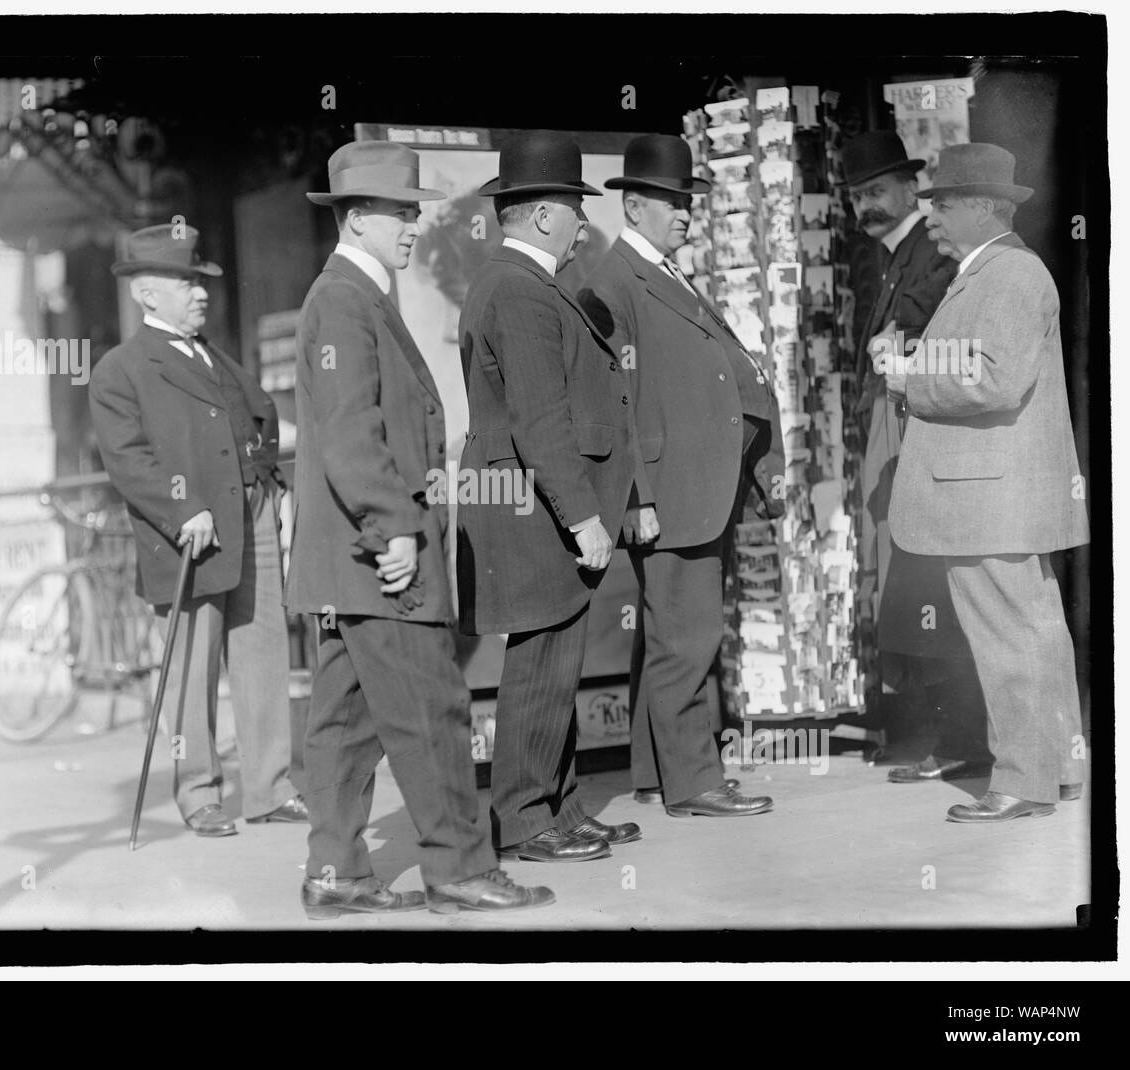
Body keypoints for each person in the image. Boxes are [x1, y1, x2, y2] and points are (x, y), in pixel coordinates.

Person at [288, 141, 552, 915]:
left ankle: (333, 872)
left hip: (353, 561)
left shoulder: (355, 296)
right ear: (358, 215)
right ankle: (459, 869)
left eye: (414, 210)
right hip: (378, 555)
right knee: (433, 711)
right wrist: (395, 527)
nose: (412, 224)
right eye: (401, 211)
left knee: (345, 719)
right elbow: (349, 435)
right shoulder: (344, 300)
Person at [456, 130, 646, 863]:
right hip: (534, 508)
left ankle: (560, 808)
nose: (582, 223)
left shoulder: (521, 284)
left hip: (529, 503)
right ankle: (528, 821)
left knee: (557, 661)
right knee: (540, 666)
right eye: (574, 208)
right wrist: (586, 516)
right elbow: (541, 420)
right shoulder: (518, 289)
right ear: (542, 215)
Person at [886, 143, 1089, 822]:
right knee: (1033, 630)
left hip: (987, 493)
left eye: (942, 205)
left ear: (983, 207)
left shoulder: (1006, 275)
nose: (932, 220)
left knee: (1011, 639)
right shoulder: (999, 272)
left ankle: (1022, 784)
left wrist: (909, 379)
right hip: (994, 490)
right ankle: (1053, 768)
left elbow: (993, 380)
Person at [578, 133, 777, 817]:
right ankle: (695, 783)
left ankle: (653, 770)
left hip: (692, 481)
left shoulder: (661, 269)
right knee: (688, 637)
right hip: (671, 488)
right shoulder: (615, 281)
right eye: (671, 201)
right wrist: (638, 495)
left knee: (670, 633)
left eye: (688, 200)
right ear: (632, 206)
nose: (686, 212)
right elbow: (615, 394)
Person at [90, 223, 305, 838]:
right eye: (186, 282)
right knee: (191, 669)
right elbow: (127, 459)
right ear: (146, 294)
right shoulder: (120, 370)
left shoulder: (211, 354)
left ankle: (268, 787)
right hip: (191, 532)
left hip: (251, 515)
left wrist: (272, 484)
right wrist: (183, 510)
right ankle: (198, 791)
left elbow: (259, 418)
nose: (201, 291)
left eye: (201, 280)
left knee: (262, 650)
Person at [840, 130, 992, 785]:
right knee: (909, 585)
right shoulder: (892, 259)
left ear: (910, 188)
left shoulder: (933, 255)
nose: (865, 207)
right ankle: (940, 731)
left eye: (877, 191)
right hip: (896, 434)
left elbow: (962, 353)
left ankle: (961, 738)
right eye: (856, 197)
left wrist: (904, 366)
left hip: (923, 435)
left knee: (934, 583)